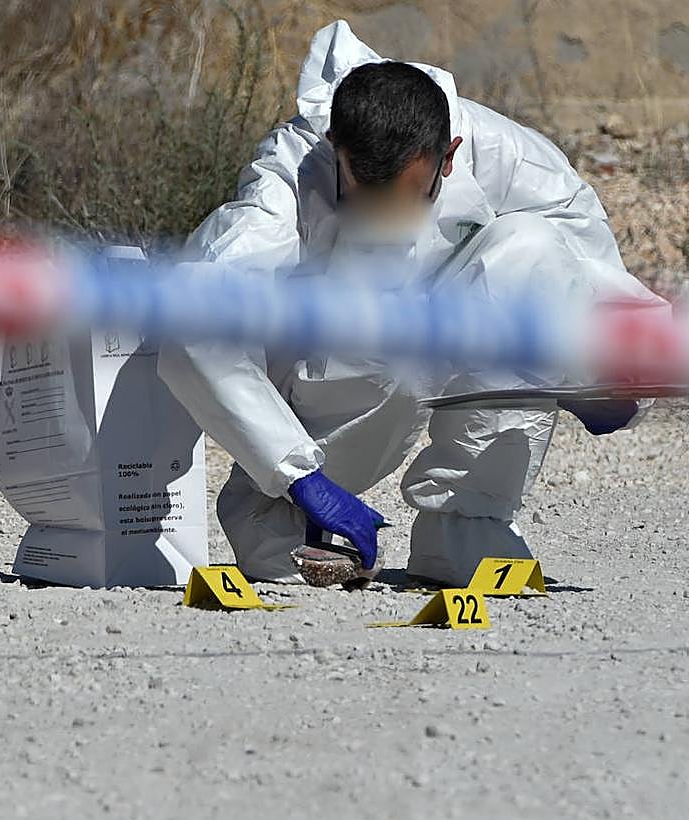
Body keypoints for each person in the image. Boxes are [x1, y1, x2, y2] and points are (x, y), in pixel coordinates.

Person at [157, 20, 668, 586]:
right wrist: (301, 478)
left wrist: (612, 384)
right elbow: (193, 316)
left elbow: (589, 269)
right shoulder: (290, 173)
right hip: (320, 371)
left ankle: (464, 525)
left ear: (448, 158)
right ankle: (283, 518)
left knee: (532, 248)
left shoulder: (507, 157)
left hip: (442, 340)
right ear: (336, 150)